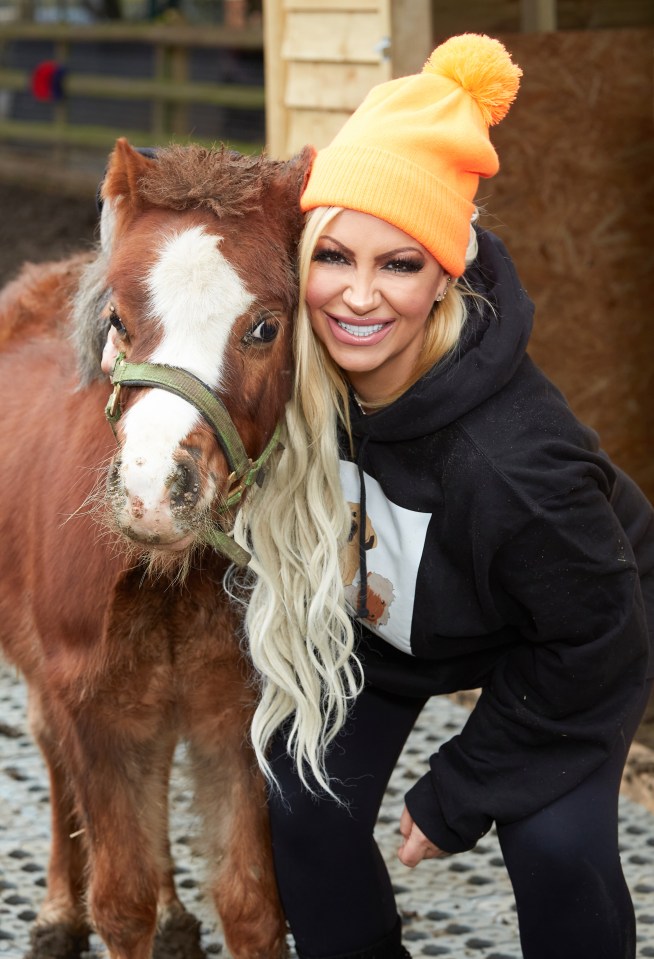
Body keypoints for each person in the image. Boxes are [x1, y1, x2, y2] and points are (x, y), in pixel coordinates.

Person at [233, 33, 654, 959]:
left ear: (446, 276)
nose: (356, 297)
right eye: (335, 255)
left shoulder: (513, 464)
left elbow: (596, 640)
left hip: (570, 622)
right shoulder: (302, 365)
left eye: (400, 264)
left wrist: (460, 785)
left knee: (555, 844)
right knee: (303, 805)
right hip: (398, 614)